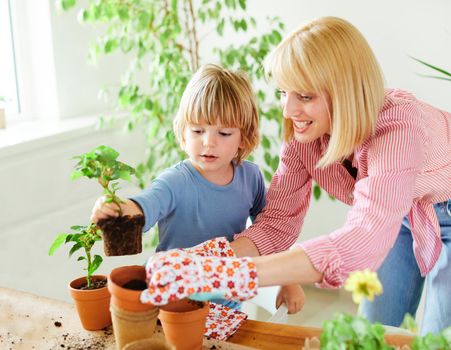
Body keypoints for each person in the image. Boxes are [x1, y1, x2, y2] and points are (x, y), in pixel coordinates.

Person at [141, 17, 451, 335]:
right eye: (283, 92)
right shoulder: (304, 136)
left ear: (343, 91)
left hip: (442, 208)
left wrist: (225, 274)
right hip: (396, 215)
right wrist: (205, 261)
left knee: (439, 339)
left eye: (304, 96)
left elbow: (363, 240)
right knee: (373, 331)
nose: (288, 110)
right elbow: (277, 222)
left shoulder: (399, 129)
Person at [91, 64, 268, 308]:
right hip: (170, 303)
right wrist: (120, 208)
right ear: (183, 134)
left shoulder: (251, 177)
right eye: (197, 130)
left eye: (224, 133)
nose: (208, 142)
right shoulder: (175, 181)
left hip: (226, 304)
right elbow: (147, 204)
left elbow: (270, 232)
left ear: (244, 137)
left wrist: (286, 281)